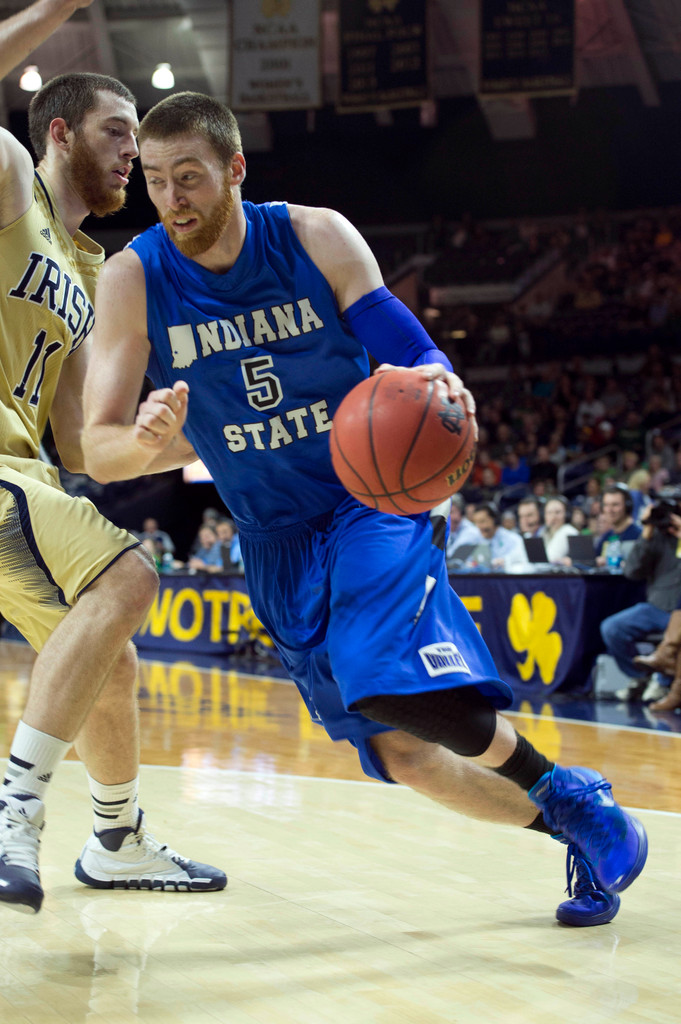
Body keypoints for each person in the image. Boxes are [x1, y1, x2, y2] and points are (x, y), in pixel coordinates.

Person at [81, 91, 647, 928]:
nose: (172, 200)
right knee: (405, 754)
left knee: (378, 678)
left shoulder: (314, 235)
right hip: (272, 539)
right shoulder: (133, 276)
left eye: (190, 177)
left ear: (235, 169)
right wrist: (146, 438)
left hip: (368, 503)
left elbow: (408, 346)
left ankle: (561, 791)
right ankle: (573, 817)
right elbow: (99, 450)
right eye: (157, 182)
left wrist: (441, 378)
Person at [0, 4, 225, 913]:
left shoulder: (88, 270)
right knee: (129, 579)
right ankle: (15, 807)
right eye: (117, 133)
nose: (134, 153)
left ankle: (118, 838)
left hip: (20, 469)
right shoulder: (14, 178)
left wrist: (183, 434)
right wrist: (54, 9)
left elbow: (81, 444)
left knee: (106, 656)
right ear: (58, 132)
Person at [600, 503, 681, 702]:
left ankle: (662, 682)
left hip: (678, 612)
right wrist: (646, 531)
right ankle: (641, 677)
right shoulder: (656, 537)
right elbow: (632, 571)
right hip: (657, 606)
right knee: (612, 628)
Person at [594, 485, 642, 568]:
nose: (610, 510)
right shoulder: (605, 537)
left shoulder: (639, 535)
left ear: (627, 506)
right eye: (606, 505)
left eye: (615, 505)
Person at [471, 503, 530, 571]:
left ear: (493, 519)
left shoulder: (513, 539)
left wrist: (505, 562)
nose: (480, 526)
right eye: (476, 523)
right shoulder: (475, 540)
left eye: (482, 521)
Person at [445, 493, 483, 569]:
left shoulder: (472, 532)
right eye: (446, 513)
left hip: (466, 573)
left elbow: (453, 556)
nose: (448, 516)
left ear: (461, 512)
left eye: (452, 512)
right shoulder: (444, 528)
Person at [542, 497, 579, 564]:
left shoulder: (569, 531)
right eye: (549, 512)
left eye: (558, 512)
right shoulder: (544, 532)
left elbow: (551, 558)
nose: (553, 517)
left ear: (566, 514)